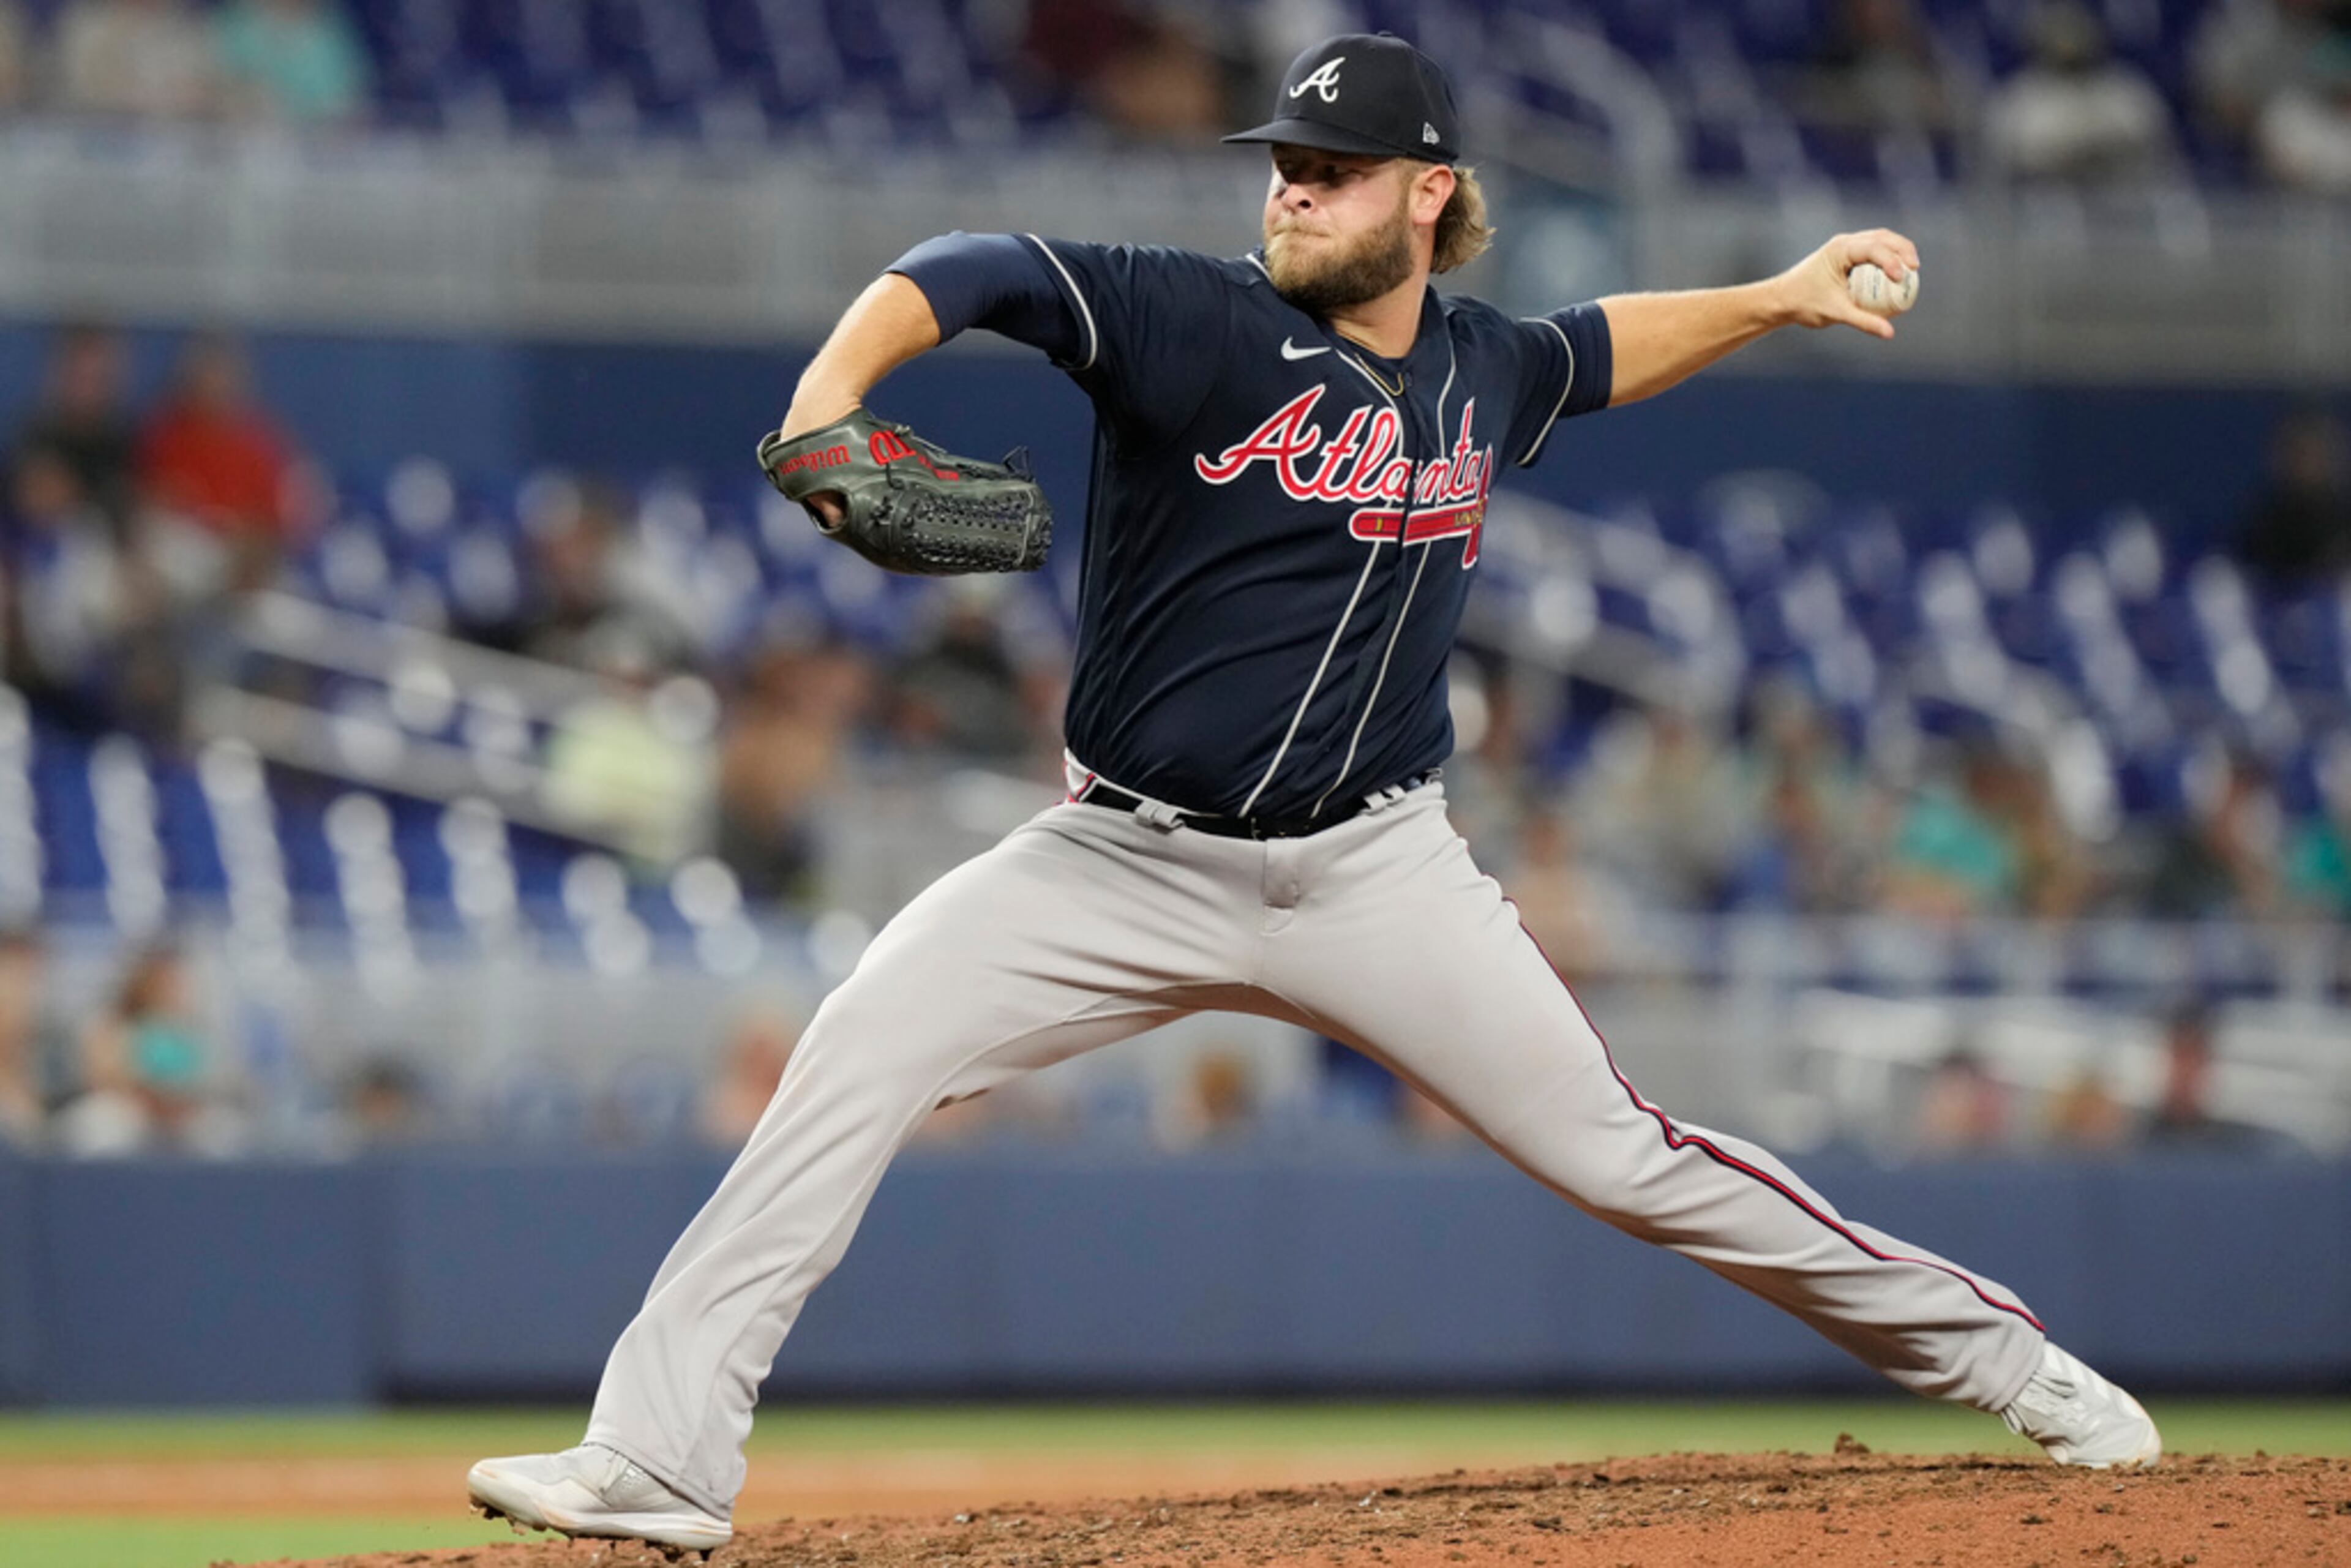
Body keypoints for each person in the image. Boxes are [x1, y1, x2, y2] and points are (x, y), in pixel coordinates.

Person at [469, 34, 2161, 1553]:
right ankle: (659, 1457)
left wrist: (1781, 293)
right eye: (1282, 165)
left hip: (1376, 874)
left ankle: (2019, 1364)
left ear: (1428, 194)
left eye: (1330, 170)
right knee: (857, 1046)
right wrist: (830, 401)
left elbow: (1596, 347)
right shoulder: (1189, 320)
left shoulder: (1481, 368)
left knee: (1633, 1159)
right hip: (1119, 861)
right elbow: (968, 268)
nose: (1291, 191)